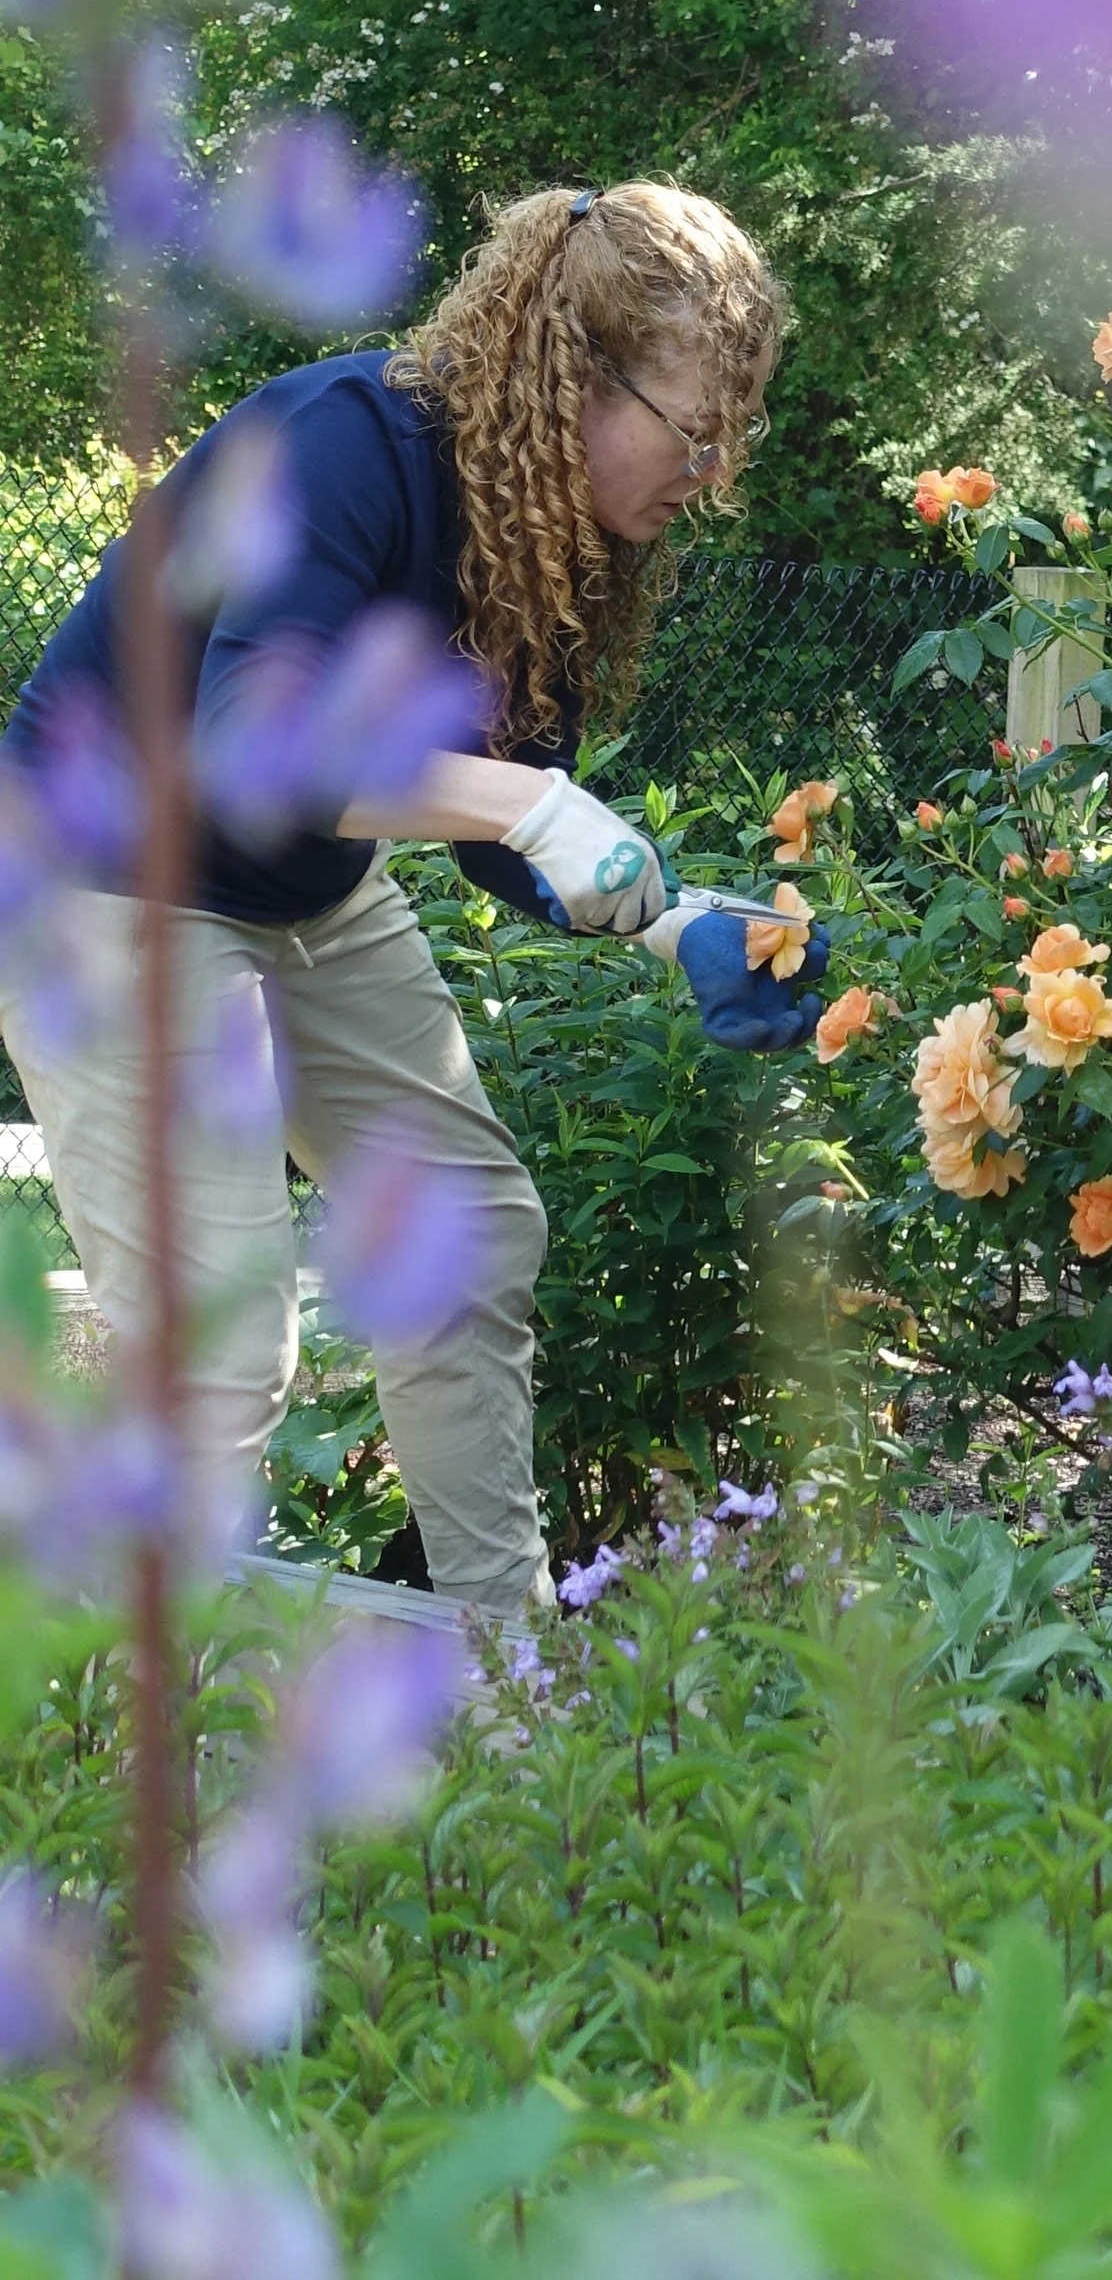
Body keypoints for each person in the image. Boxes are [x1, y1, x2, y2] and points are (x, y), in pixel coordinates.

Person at [0, 180, 826, 1621]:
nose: (712, 469)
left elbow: (511, 828)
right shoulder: (344, 446)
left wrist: (680, 912)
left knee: (472, 1224)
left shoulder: (543, 544)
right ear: (574, 374)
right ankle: (141, 1754)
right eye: (696, 431)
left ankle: (506, 1688)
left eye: (729, 440)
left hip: (301, 888)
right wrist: (530, 801)